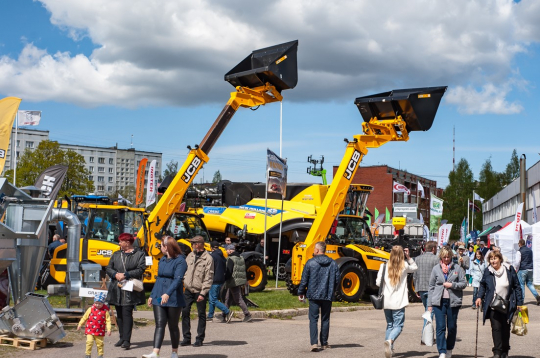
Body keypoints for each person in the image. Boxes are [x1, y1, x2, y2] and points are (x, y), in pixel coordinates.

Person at [142, 236, 187, 358]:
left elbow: (178, 280)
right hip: (158, 296)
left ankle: (174, 352)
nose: (160, 248)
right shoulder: (162, 260)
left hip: (173, 297)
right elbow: (159, 279)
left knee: (173, 325)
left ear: (167, 247)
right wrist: (152, 295)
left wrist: (168, 293)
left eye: (161, 245)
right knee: (159, 324)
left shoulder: (180, 261)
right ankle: (155, 352)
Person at [476, 251, 523, 358]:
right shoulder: (488, 271)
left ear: (500, 259)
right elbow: (483, 285)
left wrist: (519, 303)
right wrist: (479, 297)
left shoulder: (509, 270)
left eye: (495, 258)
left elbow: (517, 286)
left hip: (507, 304)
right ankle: (497, 352)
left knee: (505, 329)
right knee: (496, 328)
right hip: (493, 304)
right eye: (491, 259)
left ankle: (505, 351)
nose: (493, 260)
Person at [105, 233, 146, 350]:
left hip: (130, 289)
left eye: (121, 241)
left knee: (127, 313)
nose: (119, 243)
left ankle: (127, 340)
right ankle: (122, 337)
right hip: (117, 288)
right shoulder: (116, 254)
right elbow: (108, 268)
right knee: (119, 314)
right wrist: (115, 274)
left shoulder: (139, 254)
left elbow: (141, 269)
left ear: (127, 242)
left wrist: (126, 275)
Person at [298, 241, 340, 352]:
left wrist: (300, 292)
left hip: (313, 295)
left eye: (314, 249)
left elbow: (304, 280)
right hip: (327, 294)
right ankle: (324, 343)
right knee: (325, 319)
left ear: (317, 250)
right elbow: (337, 279)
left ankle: (314, 343)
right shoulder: (333, 263)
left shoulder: (310, 263)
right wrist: (332, 290)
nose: (313, 251)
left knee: (313, 319)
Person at [377, 245, 417, 358]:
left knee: (390, 324)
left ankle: (389, 349)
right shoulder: (404, 266)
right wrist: (408, 257)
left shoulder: (383, 266)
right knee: (398, 325)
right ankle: (390, 342)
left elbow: (378, 283)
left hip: (387, 301)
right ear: (402, 254)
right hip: (399, 301)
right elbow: (415, 268)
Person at [428, 246, 467, 358]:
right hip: (438, 301)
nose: (446, 259)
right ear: (441, 256)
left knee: (452, 327)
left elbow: (463, 283)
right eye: (444, 257)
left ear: (451, 256)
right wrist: (429, 304)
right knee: (440, 327)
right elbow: (431, 286)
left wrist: (452, 285)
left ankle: (449, 348)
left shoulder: (457, 268)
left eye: (448, 257)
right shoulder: (436, 268)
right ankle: (442, 351)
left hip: (453, 301)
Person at [181, 236, 214, 347]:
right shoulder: (190, 255)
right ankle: (186, 337)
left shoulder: (208, 258)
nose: (192, 245)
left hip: (200, 290)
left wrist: (203, 293)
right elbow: (185, 269)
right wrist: (184, 281)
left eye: (194, 243)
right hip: (188, 289)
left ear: (200, 244)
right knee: (185, 312)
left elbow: (208, 277)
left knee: (201, 314)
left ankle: (199, 338)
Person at [77, 292, 111, 358]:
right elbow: (84, 317)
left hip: (99, 330)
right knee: (89, 342)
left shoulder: (105, 311)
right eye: (96, 303)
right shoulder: (90, 309)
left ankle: (100, 355)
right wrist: (80, 324)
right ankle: (87, 354)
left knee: (100, 344)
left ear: (103, 303)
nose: (97, 305)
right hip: (90, 329)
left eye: (100, 303)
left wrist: (109, 329)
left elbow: (108, 321)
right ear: (94, 302)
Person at [224, 244, 252, 322]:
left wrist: (225, 278)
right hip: (239, 280)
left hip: (233, 281)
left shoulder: (230, 259)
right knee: (228, 298)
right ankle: (223, 314)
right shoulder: (241, 258)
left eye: (226, 250)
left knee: (238, 299)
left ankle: (247, 314)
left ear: (229, 250)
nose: (226, 251)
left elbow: (229, 271)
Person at [207, 241, 233, 322]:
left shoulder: (212, 256)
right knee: (212, 298)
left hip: (214, 279)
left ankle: (227, 311)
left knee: (213, 299)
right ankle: (210, 315)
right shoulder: (222, 256)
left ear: (211, 248)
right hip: (221, 279)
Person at [413, 241, 439, 314]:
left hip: (421, 288)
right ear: (433, 248)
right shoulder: (436, 259)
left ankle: (427, 325)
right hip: (432, 289)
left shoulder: (417, 259)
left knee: (427, 310)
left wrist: (416, 289)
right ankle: (426, 326)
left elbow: (415, 276)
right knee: (429, 312)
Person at [514, 239, 540, 305]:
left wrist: (516, 269)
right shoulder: (530, 250)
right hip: (530, 269)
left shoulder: (519, 251)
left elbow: (517, 262)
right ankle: (537, 296)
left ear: (519, 244)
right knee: (529, 284)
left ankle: (521, 301)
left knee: (521, 285)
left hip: (522, 269)